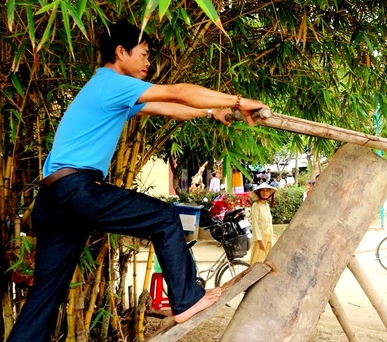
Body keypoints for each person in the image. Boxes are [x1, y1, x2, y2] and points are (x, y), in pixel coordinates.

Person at [6, 20, 266, 342]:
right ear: (120, 52)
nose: (148, 62)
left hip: (55, 196)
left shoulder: (105, 89)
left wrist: (213, 113)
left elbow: (167, 107)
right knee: (165, 218)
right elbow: (179, 92)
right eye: (143, 54)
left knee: (46, 295)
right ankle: (186, 299)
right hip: (77, 189)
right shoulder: (111, 83)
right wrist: (236, 101)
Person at [249, 183, 276, 265]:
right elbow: (255, 224)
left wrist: (272, 238)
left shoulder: (266, 205)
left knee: (268, 263)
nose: (265, 193)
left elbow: (269, 223)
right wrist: (260, 241)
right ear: (259, 192)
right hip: (259, 240)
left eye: (267, 191)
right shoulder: (256, 205)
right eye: (263, 190)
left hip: (269, 239)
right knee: (256, 264)